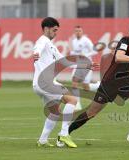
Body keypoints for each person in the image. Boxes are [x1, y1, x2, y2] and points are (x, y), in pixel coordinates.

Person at [68, 21, 129, 144]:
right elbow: (119, 57)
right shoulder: (124, 41)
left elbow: (121, 58)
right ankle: (65, 133)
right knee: (91, 113)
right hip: (110, 83)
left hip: (124, 81)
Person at [33, 17, 80, 148]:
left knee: (54, 112)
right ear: (46, 29)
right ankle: (64, 133)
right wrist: (35, 53)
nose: (56, 33)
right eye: (54, 30)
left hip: (39, 84)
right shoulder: (42, 41)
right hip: (45, 82)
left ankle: (42, 140)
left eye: (57, 30)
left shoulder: (51, 45)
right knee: (72, 100)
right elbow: (38, 48)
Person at [70, 25, 99, 111]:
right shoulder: (74, 41)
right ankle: (77, 105)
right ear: (74, 32)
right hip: (78, 65)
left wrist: (85, 55)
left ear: (82, 32)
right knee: (75, 83)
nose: (78, 32)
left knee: (85, 87)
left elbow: (95, 51)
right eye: (76, 31)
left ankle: (98, 85)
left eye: (79, 31)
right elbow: (75, 53)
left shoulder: (86, 41)